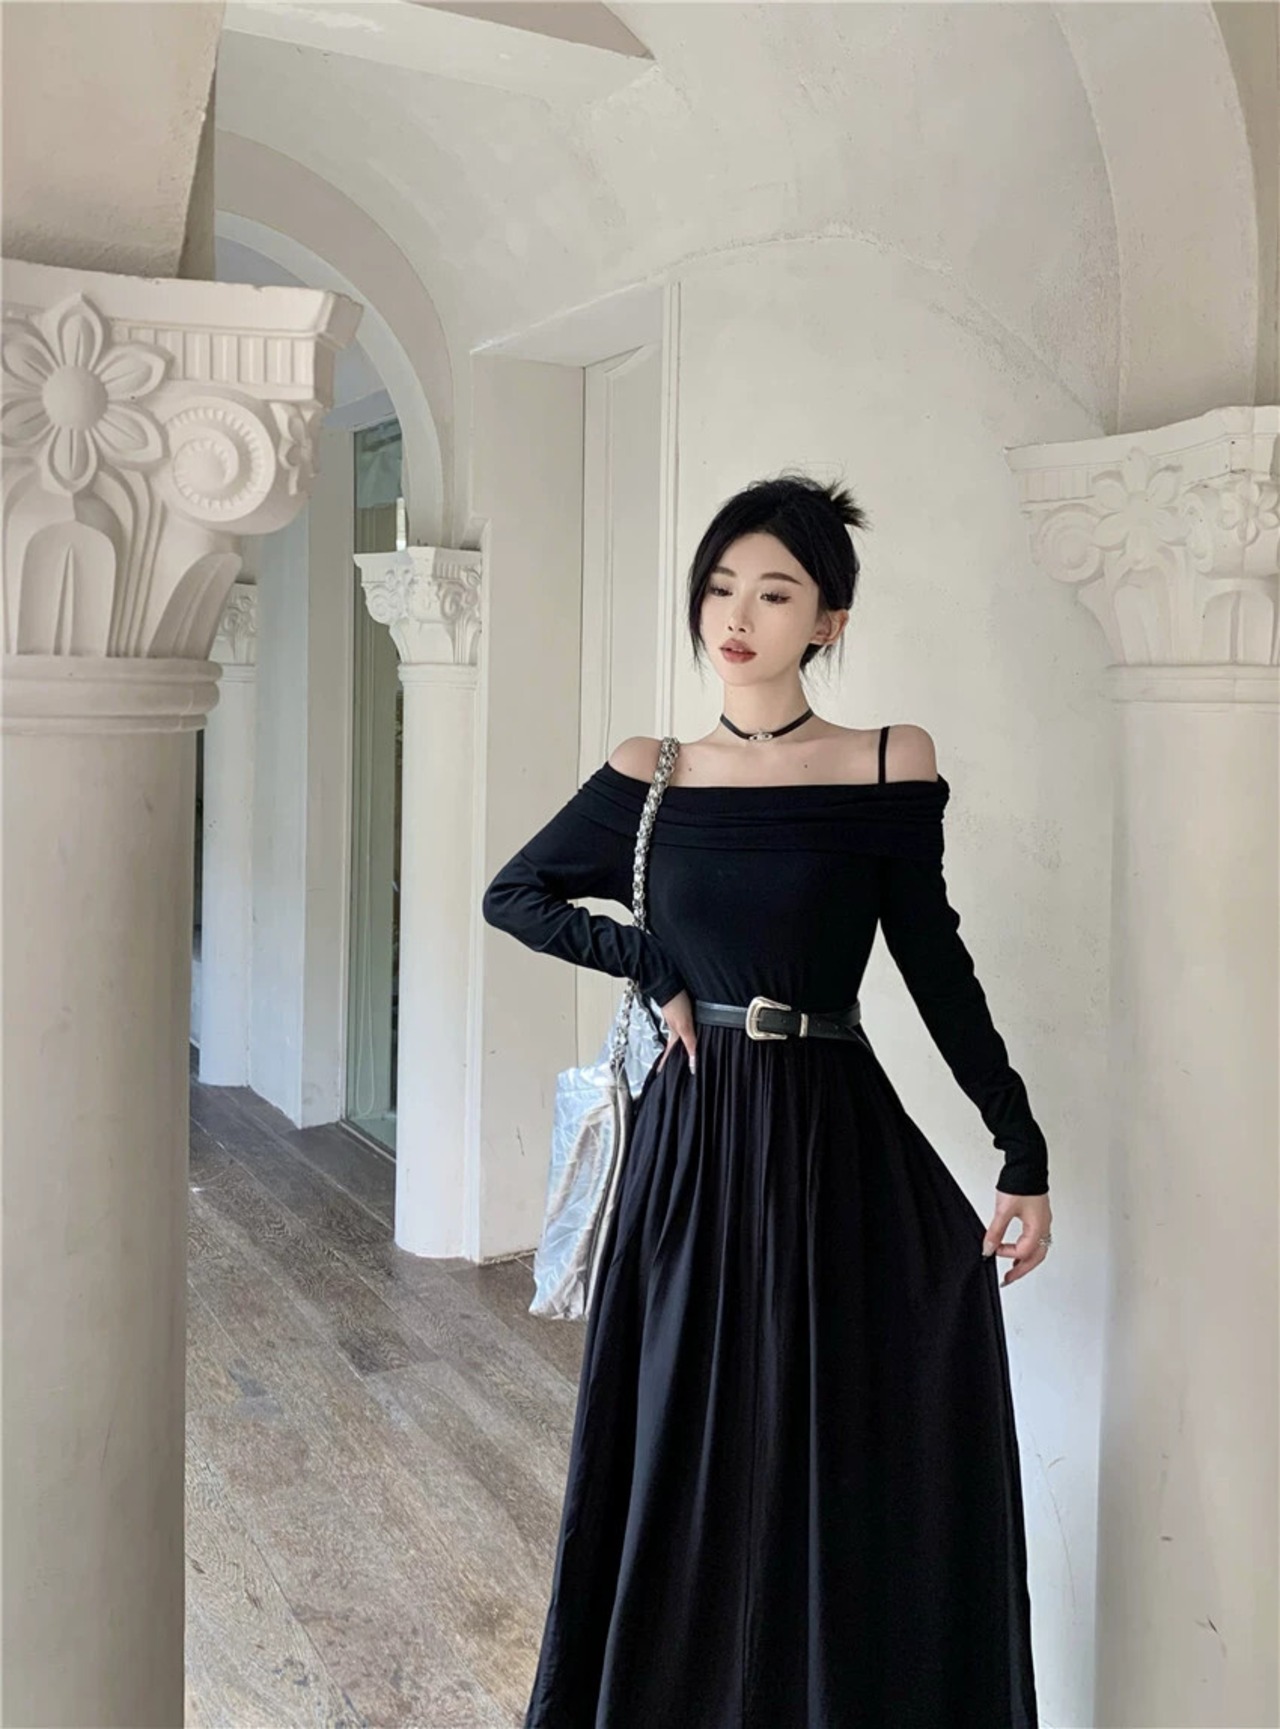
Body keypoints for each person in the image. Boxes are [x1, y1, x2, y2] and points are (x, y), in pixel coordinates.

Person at [482, 472, 1052, 1728]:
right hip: (692, 1138)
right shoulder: (648, 772)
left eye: (775, 593)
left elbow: (934, 964)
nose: (736, 615)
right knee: (683, 1436)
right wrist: (649, 963)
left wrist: (1018, 1144)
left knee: (836, 1437)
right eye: (720, 586)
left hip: (834, 1139)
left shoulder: (885, 763)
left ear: (828, 622)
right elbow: (513, 895)